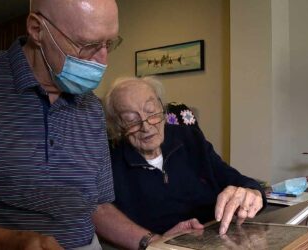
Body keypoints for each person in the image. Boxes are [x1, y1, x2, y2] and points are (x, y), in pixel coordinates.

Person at [0, 0, 123, 249]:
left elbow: (98, 207)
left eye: (109, 43)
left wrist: (150, 241)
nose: (102, 60)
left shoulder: (92, 108)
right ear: (36, 29)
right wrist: (8, 242)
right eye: (88, 45)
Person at [103, 76, 266, 236]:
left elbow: (235, 179)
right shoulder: (110, 164)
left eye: (151, 112)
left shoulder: (189, 138)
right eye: (131, 120)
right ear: (117, 126)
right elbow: (111, 225)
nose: (146, 127)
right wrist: (159, 240)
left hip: (218, 237)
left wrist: (253, 192)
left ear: (162, 108)